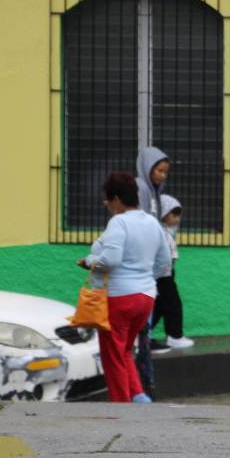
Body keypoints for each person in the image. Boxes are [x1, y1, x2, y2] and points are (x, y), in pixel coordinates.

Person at [78, 172, 171, 403]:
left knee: (113, 357)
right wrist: (144, 278)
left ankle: (121, 409)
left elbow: (111, 259)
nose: (107, 205)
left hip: (119, 298)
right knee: (125, 350)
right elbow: (164, 261)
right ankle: (139, 398)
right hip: (146, 297)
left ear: (117, 199)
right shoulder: (152, 222)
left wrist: (88, 261)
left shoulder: (119, 222)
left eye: (108, 200)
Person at [133, 146, 170, 397]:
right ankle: (141, 386)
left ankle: (144, 385)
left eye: (165, 172)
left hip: (149, 271)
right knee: (140, 333)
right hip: (142, 271)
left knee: (145, 330)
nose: (162, 176)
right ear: (148, 168)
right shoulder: (141, 188)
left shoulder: (155, 193)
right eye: (159, 171)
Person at [150, 195, 193, 352]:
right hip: (162, 277)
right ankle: (175, 336)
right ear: (162, 213)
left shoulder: (165, 231)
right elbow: (165, 257)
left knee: (160, 306)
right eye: (174, 215)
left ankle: (143, 333)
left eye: (178, 215)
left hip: (164, 275)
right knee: (173, 304)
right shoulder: (160, 232)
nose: (177, 219)